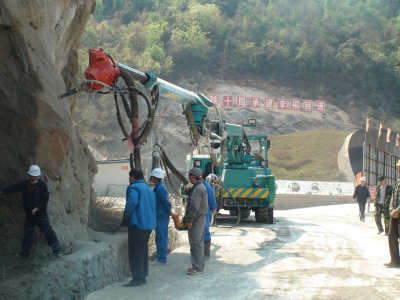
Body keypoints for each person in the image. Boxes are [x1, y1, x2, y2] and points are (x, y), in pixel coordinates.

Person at [0, 165, 63, 258]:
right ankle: (25, 255)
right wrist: (2, 191)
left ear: (38, 176)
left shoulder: (42, 185)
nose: (33, 177)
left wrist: (38, 208)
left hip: (41, 214)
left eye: (35, 176)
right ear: (29, 175)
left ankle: (57, 250)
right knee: (28, 234)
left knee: (47, 231)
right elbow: (13, 188)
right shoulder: (25, 184)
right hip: (30, 214)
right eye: (32, 175)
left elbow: (45, 200)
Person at [123, 169, 156, 287]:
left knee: (135, 251)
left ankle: (137, 278)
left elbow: (132, 201)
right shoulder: (149, 190)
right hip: (148, 225)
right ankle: (143, 275)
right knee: (143, 250)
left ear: (132, 177)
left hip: (137, 224)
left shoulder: (134, 187)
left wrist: (127, 215)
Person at [149, 168, 179, 266]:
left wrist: (171, 214)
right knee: (160, 237)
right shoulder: (158, 187)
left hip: (161, 216)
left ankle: (162, 259)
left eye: (152, 176)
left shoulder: (160, 189)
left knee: (161, 238)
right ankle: (161, 258)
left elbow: (165, 203)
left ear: (155, 177)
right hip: (159, 216)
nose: (150, 178)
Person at [184, 167, 208, 275]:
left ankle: (197, 268)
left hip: (196, 220)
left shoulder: (198, 189)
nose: (188, 177)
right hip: (200, 219)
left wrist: (190, 220)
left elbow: (194, 206)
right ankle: (198, 266)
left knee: (195, 243)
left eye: (190, 175)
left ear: (194, 177)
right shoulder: (198, 187)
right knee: (198, 243)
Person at [385, 160, 400, 267]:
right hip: (395, 214)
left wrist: (398, 210)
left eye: (399, 167)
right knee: (392, 236)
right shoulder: (398, 181)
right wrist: (392, 209)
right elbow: (393, 197)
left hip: (398, 212)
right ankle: (395, 260)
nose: (398, 169)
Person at [201, 172, 217, 260]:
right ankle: (198, 254)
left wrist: (214, 208)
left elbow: (211, 198)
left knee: (205, 232)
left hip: (205, 213)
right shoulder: (197, 186)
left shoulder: (207, 187)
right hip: (198, 214)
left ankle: (206, 254)